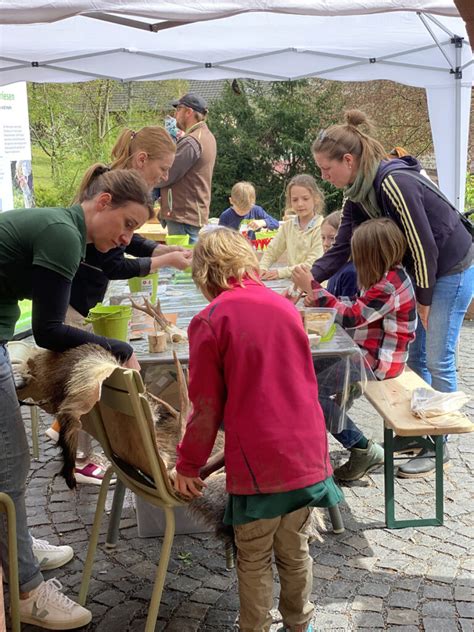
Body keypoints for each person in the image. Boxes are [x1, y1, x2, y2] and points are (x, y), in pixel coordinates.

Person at [0, 169, 152, 629]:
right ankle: (25, 588)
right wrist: (119, 348)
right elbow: (48, 331)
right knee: (10, 463)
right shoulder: (63, 235)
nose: (126, 237)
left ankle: (17, 547)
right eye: (125, 224)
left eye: (134, 232)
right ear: (102, 201)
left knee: (10, 462)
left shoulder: (64, 227)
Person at [173, 227, 342, 632]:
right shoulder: (284, 306)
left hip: (259, 467)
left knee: (253, 557)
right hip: (305, 454)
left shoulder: (210, 319)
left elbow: (205, 409)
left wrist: (187, 465)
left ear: (204, 275)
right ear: (247, 262)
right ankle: (300, 623)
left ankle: (254, 627)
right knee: (295, 551)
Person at [310, 109, 473, 477]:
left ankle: (440, 445)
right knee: (415, 359)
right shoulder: (357, 190)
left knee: (436, 359)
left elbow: (423, 245)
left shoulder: (391, 181)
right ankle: (421, 434)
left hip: (450, 267)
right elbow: (343, 245)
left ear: (348, 160)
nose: (324, 176)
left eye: (325, 168)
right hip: (424, 270)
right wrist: (312, 280)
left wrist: (425, 300)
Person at [46, 127, 192, 484]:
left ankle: (79, 443)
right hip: (74, 303)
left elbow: (129, 240)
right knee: (89, 374)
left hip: (81, 302)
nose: (164, 177)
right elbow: (113, 262)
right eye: (162, 169)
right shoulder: (98, 205)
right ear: (142, 160)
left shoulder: (115, 198)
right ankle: (76, 443)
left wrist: (160, 250)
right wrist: (163, 260)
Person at [293, 218, 417, 481]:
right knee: (302, 373)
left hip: (379, 362)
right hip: (364, 352)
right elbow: (358, 306)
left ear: (371, 254)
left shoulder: (388, 285)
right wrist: (318, 299)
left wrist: (313, 287)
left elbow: (351, 317)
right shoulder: (385, 275)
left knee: (310, 392)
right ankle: (310, 436)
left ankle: (362, 448)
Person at [158, 93, 217, 243]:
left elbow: (166, 174)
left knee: (179, 264)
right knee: (190, 264)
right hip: (189, 215)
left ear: (189, 112)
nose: (175, 114)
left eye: (178, 109)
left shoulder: (191, 141)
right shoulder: (205, 136)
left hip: (183, 217)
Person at [260, 174, 325, 280]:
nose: (300, 204)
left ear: (316, 198)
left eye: (305, 199)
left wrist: (280, 272)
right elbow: (272, 250)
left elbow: (312, 263)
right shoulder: (288, 226)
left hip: (316, 285)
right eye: (295, 200)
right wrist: (262, 267)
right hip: (294, 284)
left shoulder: (322, 227)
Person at [320, 210, 358, 298]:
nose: (325, 243)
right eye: (323, 238)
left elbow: (347, 307)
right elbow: (333, 293)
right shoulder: (335, 267)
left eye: (332, 238)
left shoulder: (351, 273)